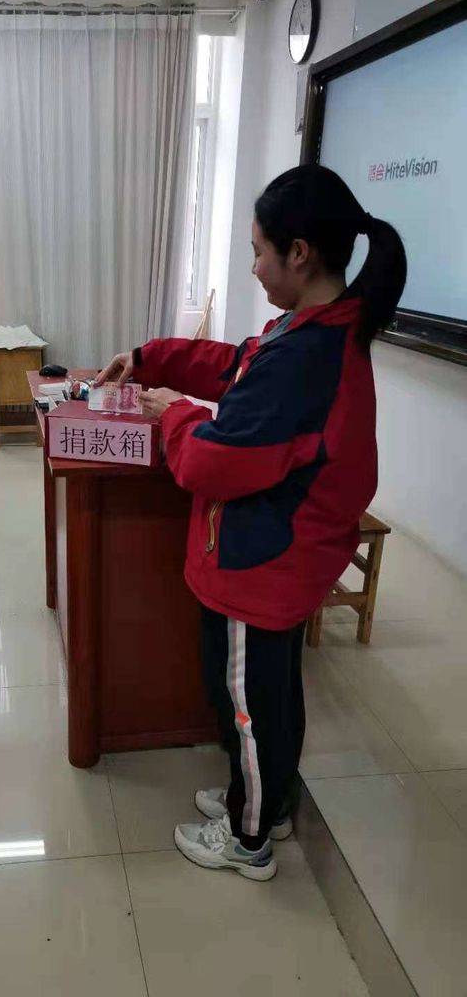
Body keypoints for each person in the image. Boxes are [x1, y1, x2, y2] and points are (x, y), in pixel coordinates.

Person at [95, 164, 407, 881]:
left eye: (258, 251)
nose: (254, 266)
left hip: (263, 562)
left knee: (248, 705)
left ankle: (249, 837)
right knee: (269, 693)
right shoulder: (309, 330)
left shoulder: (306, 356)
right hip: (279, 554)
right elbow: (235, 365)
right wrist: (149, 358)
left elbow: (211, 463)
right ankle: (265, 798)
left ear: (299, 253)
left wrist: (173, 413)